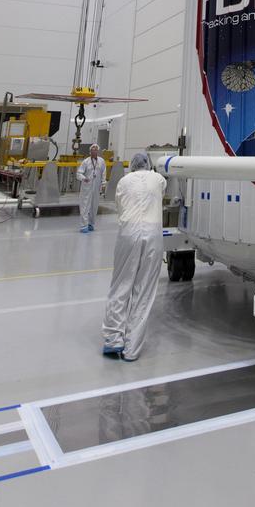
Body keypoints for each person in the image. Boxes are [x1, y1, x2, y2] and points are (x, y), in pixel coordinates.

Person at [102, 152, 166, 360]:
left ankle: (113, 340)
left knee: (121, 284)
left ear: (132, 165)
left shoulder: (123, 181)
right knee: (144, 290)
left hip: (128, 233)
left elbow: (120, 205)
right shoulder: (157, 179)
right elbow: (163, 189)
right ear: (148, 165)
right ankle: (131, 350)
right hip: (153, 234)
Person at [77, 143, 106, 233]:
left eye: (96, 149)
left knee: (94, 206)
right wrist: (83, 178)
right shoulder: (86, 162)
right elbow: (78, 173)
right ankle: (83, 225)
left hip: (96, 187)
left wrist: (103, 184)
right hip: (87, 187)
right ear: (90, 151)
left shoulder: (101, 161)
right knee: (85, 205)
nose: (95, 151)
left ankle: (91, 224)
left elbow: (103, 173)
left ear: (98, 151)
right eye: (93, 149)